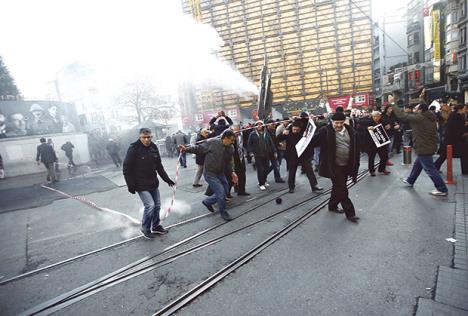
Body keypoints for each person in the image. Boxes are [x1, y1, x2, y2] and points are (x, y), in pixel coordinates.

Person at [123, 128, 175, 238]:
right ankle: (145, 228)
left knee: (157, 205)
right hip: (140, 183)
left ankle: (155, 226)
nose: (146, 140)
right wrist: (130, 185)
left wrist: (167, 179)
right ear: (140, 137)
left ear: (151, 137)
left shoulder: (154, 147)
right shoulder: (134, 148)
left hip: (152, 182)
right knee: (150, 205)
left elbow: (159, 166)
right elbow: (126, 167)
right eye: (144, 137)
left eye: (149, 137)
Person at [309, 112, 360, 223]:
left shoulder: (351, 131)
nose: (338, 125)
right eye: (336, 123)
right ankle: (350, 213)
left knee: (338, 187)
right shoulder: (325, 131)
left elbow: (356, 148)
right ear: (332, 122)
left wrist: (356, 164)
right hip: (333, 165)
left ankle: (332, 205)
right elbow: (313, 142)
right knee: (342, 189)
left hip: (347, 165)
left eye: (341, 122)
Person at [180, 129, 238, 221]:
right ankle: (224, 213)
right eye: (231, 140)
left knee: (226, 190)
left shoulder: (230, 148)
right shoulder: (212, 142)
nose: (233, 142)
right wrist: (186, 149)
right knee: (221, 193)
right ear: (225, 138)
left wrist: (232, 172)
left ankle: (207, 201)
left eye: (233, 140)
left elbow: (229, 161)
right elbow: (198, 148)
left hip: (220, 172)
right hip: (210, 173)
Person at [392, 103, 449, 196]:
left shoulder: (420, 118)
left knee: (430, 169)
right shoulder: (430, 116)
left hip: (423, 146)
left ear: (421, 110)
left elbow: (402, 115)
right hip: (428, 145)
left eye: (416, 108)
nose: (415, 110)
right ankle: (410, 180)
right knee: (417, 164)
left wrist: (393, 104)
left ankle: (442, 189)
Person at [277, 120, 323, 193]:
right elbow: (277, 139)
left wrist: (307, 136)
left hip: (303, 155)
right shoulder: (288, 132)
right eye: (294, 129)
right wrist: (283, 134)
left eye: (297, 130)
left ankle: (314, 186)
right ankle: (291, 187)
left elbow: (312, 142)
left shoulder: (304, 133)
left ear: (300, 129)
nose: (295, 131)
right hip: (292, 155)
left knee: (309, 170)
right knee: (292, 171)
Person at [435, 104, 467, 174]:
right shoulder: (457, 116)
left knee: (444, 154)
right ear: (460, 109)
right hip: (453, 139)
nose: (465, 110)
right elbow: (458, 127)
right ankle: (435, 167)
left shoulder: (454, 115)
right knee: (445, 154)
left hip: (451, 138)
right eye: (464, 109)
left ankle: (436, 166)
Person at [358, 111, 390, 176]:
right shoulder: (368, 121)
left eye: (377, 116)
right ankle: (371, 170)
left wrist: (388, 127)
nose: (376, 118)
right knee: (371, 157)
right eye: (374, 116)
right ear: (372, 117)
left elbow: (388, 126)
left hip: (381, 141)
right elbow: (359, 125)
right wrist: (367, 128)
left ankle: (381, 169)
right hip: (371, 142)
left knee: (384, 156)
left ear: (380, 116)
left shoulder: (382, 121)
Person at [248, 120, 278, 191]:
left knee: (266, 168)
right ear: (255, 126)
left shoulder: (266, 133)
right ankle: (261, 183)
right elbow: (249, 144)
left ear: (263, 125)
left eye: (260, 124)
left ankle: (264, 180)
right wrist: (251, 154)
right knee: (260, 170)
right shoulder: (252, 134)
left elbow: (271, 143)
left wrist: (274, 151)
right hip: (257, 154)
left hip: (266, 153)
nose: (259, 126)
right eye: (257, 124)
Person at [232, 124, 250, 196]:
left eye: (238, 129)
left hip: (241, 157)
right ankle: (236, 188)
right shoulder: (232, 137)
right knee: (236, 174)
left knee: (243, 174)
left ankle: (242, 190)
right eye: (235, 130)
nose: (237, 131)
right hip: (234, 159)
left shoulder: (242, 134)